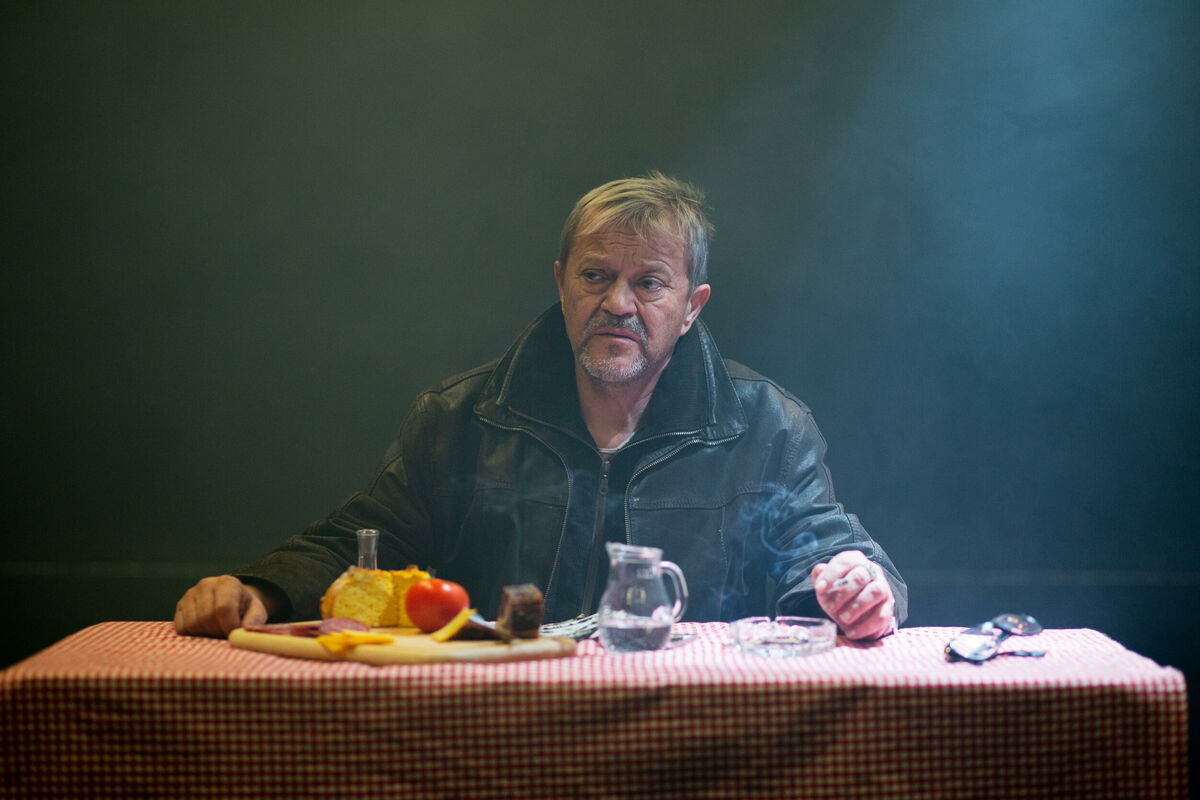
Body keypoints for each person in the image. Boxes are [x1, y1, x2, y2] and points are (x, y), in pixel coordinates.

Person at [175, 172, 906, 641]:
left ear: (692, 307)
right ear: (561, 284)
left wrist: (855, 588)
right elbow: (363, 542)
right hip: (490, 730)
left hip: (688, 737)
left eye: (649, 283)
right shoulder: (460, 418)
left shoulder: (768, 425)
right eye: (595, 275)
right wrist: (261, 589)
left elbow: (823, 550)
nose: (617, 303)